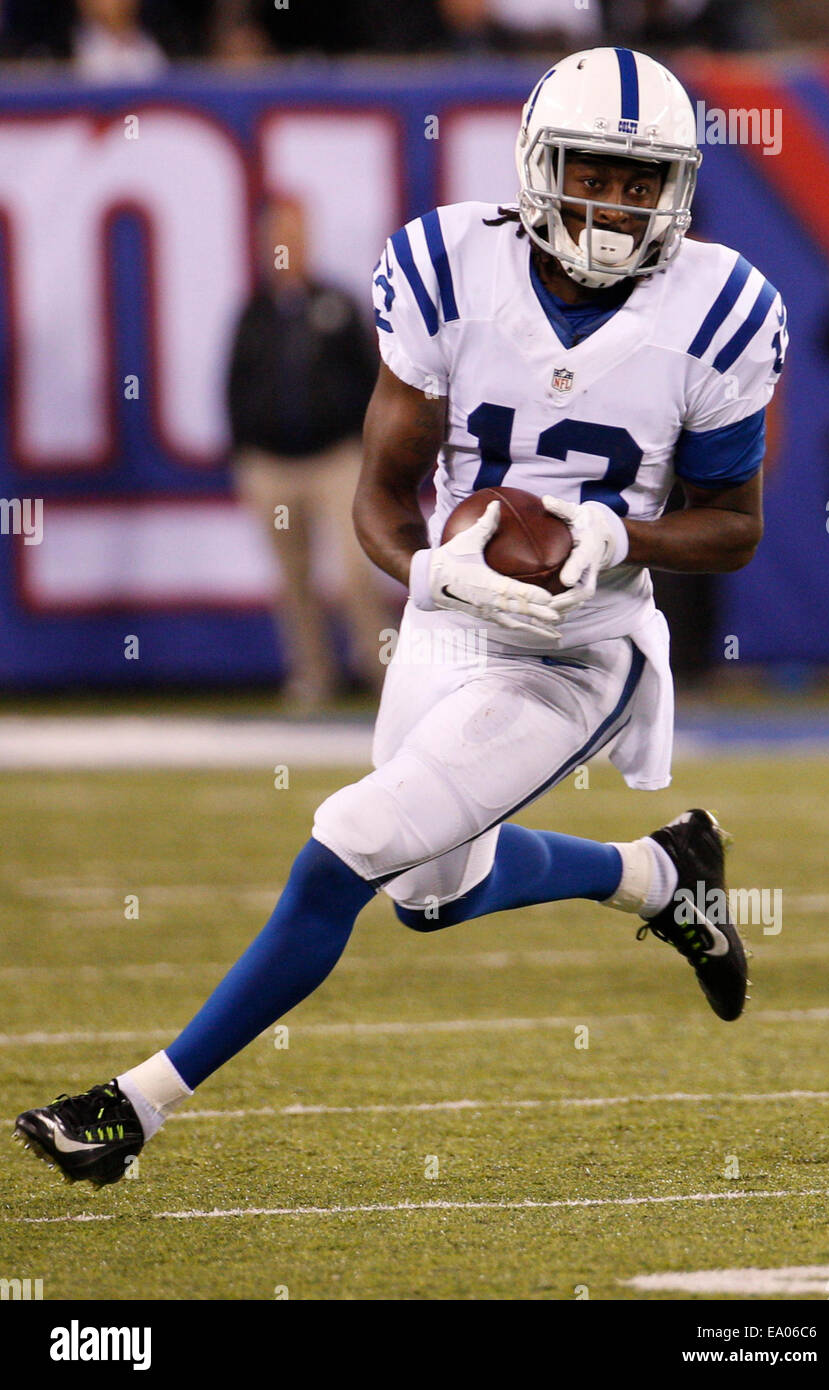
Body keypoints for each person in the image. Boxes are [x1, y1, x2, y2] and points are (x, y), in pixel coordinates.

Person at [15, 48, 786, 1187]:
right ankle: (665, 875)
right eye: (591, 170)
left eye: (638, 180)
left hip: (582, 646)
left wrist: (623, 537)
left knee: (351, 843)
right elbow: (383, 492)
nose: (613, 203)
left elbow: (734, 524)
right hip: (456, 616)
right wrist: (434, 571)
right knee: (430, 894)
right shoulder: (446, 267)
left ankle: (135, 1107)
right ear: (538, 164)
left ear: (673, 189)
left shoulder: (720, 307)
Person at [228, 197, 387, 706]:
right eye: (276, 239)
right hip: (272, 465)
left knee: (356, 568)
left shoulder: (336, 304)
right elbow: (234, 386)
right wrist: (245, 453)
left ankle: (383, 671)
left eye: (292, 237)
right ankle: (314, 675)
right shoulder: (254, 313)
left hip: (336, 459)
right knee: (292, 578)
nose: (284, 249)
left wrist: (369, 448)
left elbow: (370, 380)